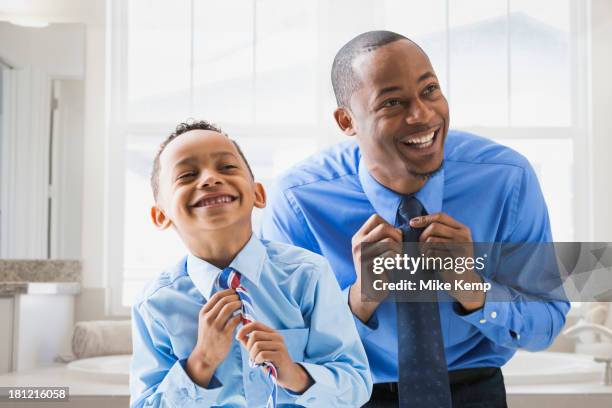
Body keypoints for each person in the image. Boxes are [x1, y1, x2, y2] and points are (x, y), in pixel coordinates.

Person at [260, 31, 570, 407]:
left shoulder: (506, 179)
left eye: (430, 90)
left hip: (476, 392)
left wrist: (471, 287)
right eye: (392, 102)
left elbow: (547, 321)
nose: (422, 115)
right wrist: (360, 298)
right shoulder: (299, 201)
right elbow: (281, 350)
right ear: (347, 121)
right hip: (352, 395)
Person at [130, 121, 372, 407]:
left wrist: (295, 375)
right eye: (187, 174)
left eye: (227, 167)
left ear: (258, 194)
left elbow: (356, 384)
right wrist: (200, 363)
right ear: (161, 216)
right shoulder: (155, 305)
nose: (209, 179)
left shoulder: (307, 275)